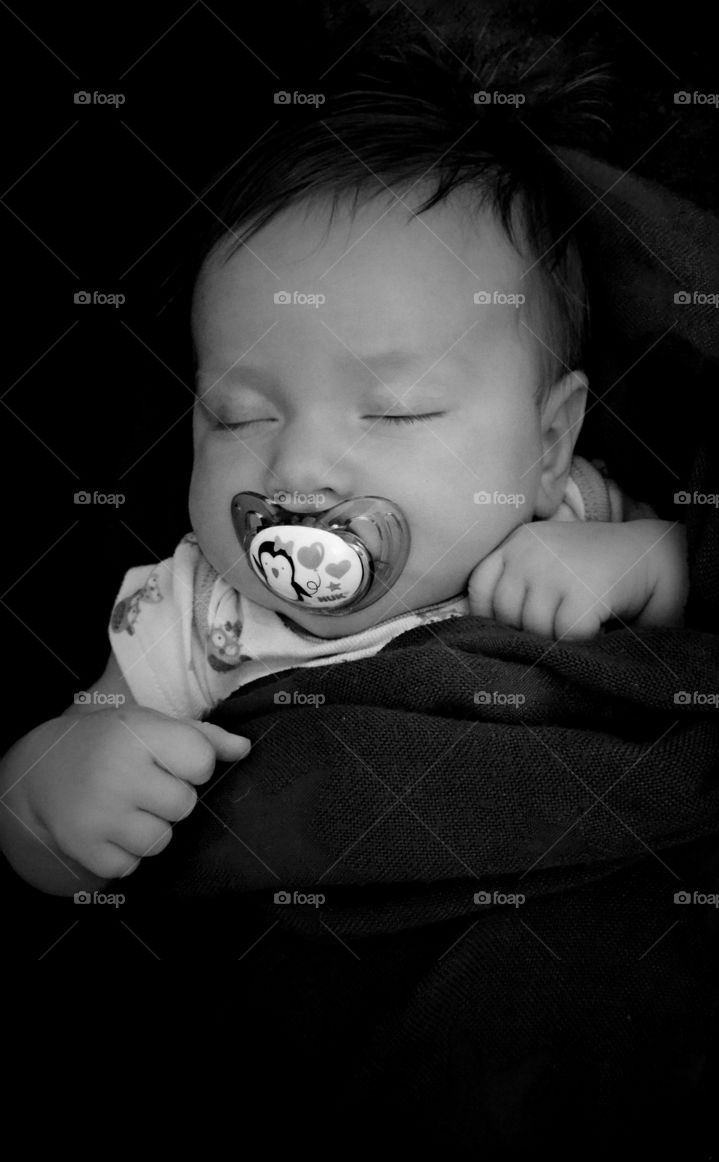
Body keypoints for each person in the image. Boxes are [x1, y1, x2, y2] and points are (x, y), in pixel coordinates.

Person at [0, 36, 689, 899]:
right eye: (237, 416)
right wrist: (46, 792)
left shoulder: (576, 517)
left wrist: (647, 557)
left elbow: (688, 604)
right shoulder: (191, 615)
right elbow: (78, 770)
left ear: (548, 445)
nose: (298, 466)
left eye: (397, 411)